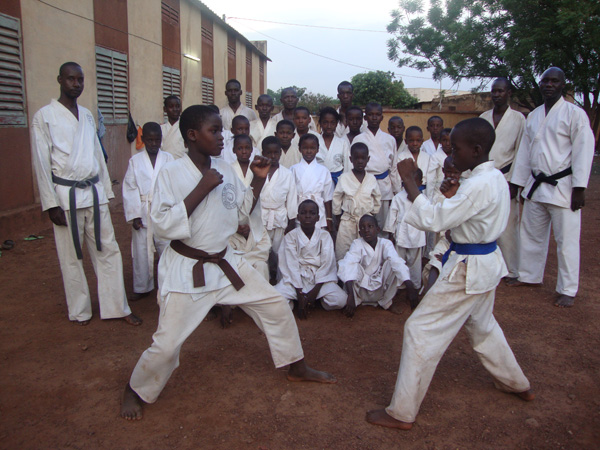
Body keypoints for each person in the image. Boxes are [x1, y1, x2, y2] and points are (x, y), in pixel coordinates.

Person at [120, 105, 336, 421]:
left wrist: (259, 181)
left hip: (227, 262)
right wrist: (202, 188)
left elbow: (240, 209)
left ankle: (296, 365)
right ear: (193, 135)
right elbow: (164, 225)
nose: (222, 136)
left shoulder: (224, 167)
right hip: (188, 268)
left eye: (221, 130)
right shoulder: (171, 173)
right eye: (214, 130)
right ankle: (135, 388)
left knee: (275, 304)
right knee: (167, 345)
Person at [366, 117, 533, 431]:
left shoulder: (478, 185)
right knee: (483, 326)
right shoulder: (493, 178)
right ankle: (516, 383)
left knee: (420, 329)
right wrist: (451, 192)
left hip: (468, 268)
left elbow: (432, 218)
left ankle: (401, 412)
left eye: (456, 148)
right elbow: (456, 214)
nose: (451, 154)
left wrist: (409, 182)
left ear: (477, 149)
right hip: (485, 264)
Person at [30, 62, 141, 326]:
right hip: (65, 194)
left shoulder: (88, 115)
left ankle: (117, 307)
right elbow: (41, 163)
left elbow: (97, 156)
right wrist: (50, 204)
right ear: (60, 80)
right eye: (71, 79)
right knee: (71, 256)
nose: (76, 84)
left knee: (109, 250)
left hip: (93, 193)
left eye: (80, 80)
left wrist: (105, 190)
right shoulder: (44, 116)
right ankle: (80, 311)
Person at [509, 67, 595, 307]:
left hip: (564, 186)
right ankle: (529, 276)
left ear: (562, 85)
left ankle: (567, 289)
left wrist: (579, 187)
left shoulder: (575, 114)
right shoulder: (534, 115)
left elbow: (583, 150)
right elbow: (525, 152)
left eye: (554, 81)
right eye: (545, 80)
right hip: (536, 185)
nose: (548, 85)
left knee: (566, 240)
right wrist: (517, 182)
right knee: (531, 234)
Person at [480, 78, 525, 281]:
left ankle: (511, 270)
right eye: (493, 91)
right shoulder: (483, 117)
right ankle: (486, 267)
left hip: (507, 176)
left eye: (500, 91)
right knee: (483, 221)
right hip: (484, 176)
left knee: (508, 223)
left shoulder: (518, 119)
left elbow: (522, 152)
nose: (496, 95)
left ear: (509, 93)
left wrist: (516, 182)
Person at [122, 122, 174, 300]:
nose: (153, 143)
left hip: (163, 209)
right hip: (143, 209)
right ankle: (142, 286)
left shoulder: (168, 159)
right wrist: (134, 214)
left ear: (161, 140)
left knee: (167, 247)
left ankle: (169, 284)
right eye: (150, 140)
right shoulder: (135, 161)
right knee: (141, 249)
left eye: (157, 140)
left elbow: (175, 186)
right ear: (142, 140)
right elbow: (130, 188)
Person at [275, 200, 347, 319]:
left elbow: (327, 264)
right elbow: (291, 265)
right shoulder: (290, 236)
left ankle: (316, 299)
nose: (308, 216)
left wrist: (314, 293)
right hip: (296, 278)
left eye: (312, 213)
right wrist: (299, 292)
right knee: (276, 301)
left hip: (318, 279)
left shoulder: (325, 236)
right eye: (303, 213)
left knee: (341, 300)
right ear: (298, 217)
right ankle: (299, 299)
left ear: (318, 217)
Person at [338, 215, 416, 316]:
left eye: (370, 226)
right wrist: (350, 295)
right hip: (360, 290)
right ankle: (355, 301)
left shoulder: (386, 243)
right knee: (352, 265)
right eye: (362, 228)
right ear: (359, 233)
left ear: (377, 229)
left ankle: (387, 303)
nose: (366, 230)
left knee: (393, 264)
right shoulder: (357, 244)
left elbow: (396, 262)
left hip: (380, 290)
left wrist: (409, 285)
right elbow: (347, 265)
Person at [333, 143, 381, 261]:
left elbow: (377, 197)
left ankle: (363, 275)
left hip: (365, 221)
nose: (360, 161)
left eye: (363, 158)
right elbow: (337, 197)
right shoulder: (344, 178)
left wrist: (372, 213)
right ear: (351, 159)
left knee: (365, 250)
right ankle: (343, 276)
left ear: (368, 159)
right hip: (348, 220)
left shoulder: (371, 179)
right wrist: (338, 216)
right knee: (343, 249)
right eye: (356, 158)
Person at [259, 136, 298, 282]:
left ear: (280, 153)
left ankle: (281, 281)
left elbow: (292, 198)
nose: (273, 156)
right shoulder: (257, 172)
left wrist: (292, 221)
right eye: (269, 153)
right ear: (263, 152)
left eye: (276, 153)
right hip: (261, 217)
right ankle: (264, 281)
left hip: (280, 217)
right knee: (262, 252)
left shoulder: (287, 174)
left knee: (280, 252)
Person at [352, 103, 395, 228]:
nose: (374, 118)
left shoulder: (389, 139)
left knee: (383, 223)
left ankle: (383, 245)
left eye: (377, 115)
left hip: (384, 185)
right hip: (364, 183)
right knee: (363, 222)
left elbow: (393, 167)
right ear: (365, 118)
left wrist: (396, 190)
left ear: (382, 117)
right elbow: (353, 166)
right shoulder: (358, 139)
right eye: (371, 115)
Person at [384, 169, 426, 292]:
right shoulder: (398, 197)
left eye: (415, 181)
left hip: (417, 234)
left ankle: (415, 286)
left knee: (414, 262)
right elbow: (392, 215)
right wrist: (390, 233)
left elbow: (426, 217)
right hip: (401, 233)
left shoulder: (423, 199)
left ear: (420, 182)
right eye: (408, 181)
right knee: (398, 260)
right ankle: (398, 285)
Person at [290, 134, 334, 231]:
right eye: (305, 148)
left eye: (312, 148)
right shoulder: (294, 169)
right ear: (300, 149)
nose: (309, 151)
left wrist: (329, 219)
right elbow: (290, 197)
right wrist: (291, 219)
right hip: (300, 209)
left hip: (319, 212)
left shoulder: (324, 170)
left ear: (318, 149)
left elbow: (327, 197)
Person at [390, 126, 433, 196]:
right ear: (406, 141)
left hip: (424, 192)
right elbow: (397, 179)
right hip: (405, 192)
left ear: (422, 141)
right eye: (411, 141)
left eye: (418, 140)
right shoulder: (401, 157)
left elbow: (430, 179)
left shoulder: (427, 157)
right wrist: (399, 194)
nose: (415, 143)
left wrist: (429, 195)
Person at [317, 106, 351, 184]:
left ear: (336, 124)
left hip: (338, 182)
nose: (329, 126)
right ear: (320, 123)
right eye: (325, 122)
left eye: (332, 123)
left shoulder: (342, 143)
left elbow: (347, 166)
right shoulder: (315, 142)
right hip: (318, 182)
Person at [160, 95, 186, 159]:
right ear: (165, 109)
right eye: (171, 107)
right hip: (165, 164)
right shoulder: (161, 129)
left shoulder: (185, 126)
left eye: (177, 106)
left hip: (182, 163)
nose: (175, 109)